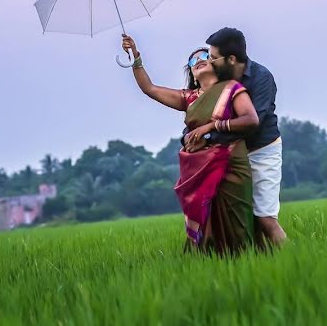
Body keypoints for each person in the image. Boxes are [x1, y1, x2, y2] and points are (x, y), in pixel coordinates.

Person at [121, 34, 270, 255]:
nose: (197, 60)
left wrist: (211, 126)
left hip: (231, 164)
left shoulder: (231, 88)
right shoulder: (189, 98)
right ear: (191, 73)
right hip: (198, 168)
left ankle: (248, 263)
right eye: (192, 61)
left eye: (204, 56)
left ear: (215, 63)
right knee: (207, 225)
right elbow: (149, 88)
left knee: (237, 223)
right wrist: (135, 56)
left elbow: (250, 120)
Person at [185, 27, 288, 246]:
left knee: (265, 218)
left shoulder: (262, 78)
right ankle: (262, 263)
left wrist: (210, 131)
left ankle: (296, 260)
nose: (209, 62)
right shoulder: (220, 79)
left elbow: (253, 124)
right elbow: (201, 112)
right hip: (232, 154)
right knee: (245, 218)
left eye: (213, 57)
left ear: (231, 59)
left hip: (262, 150)